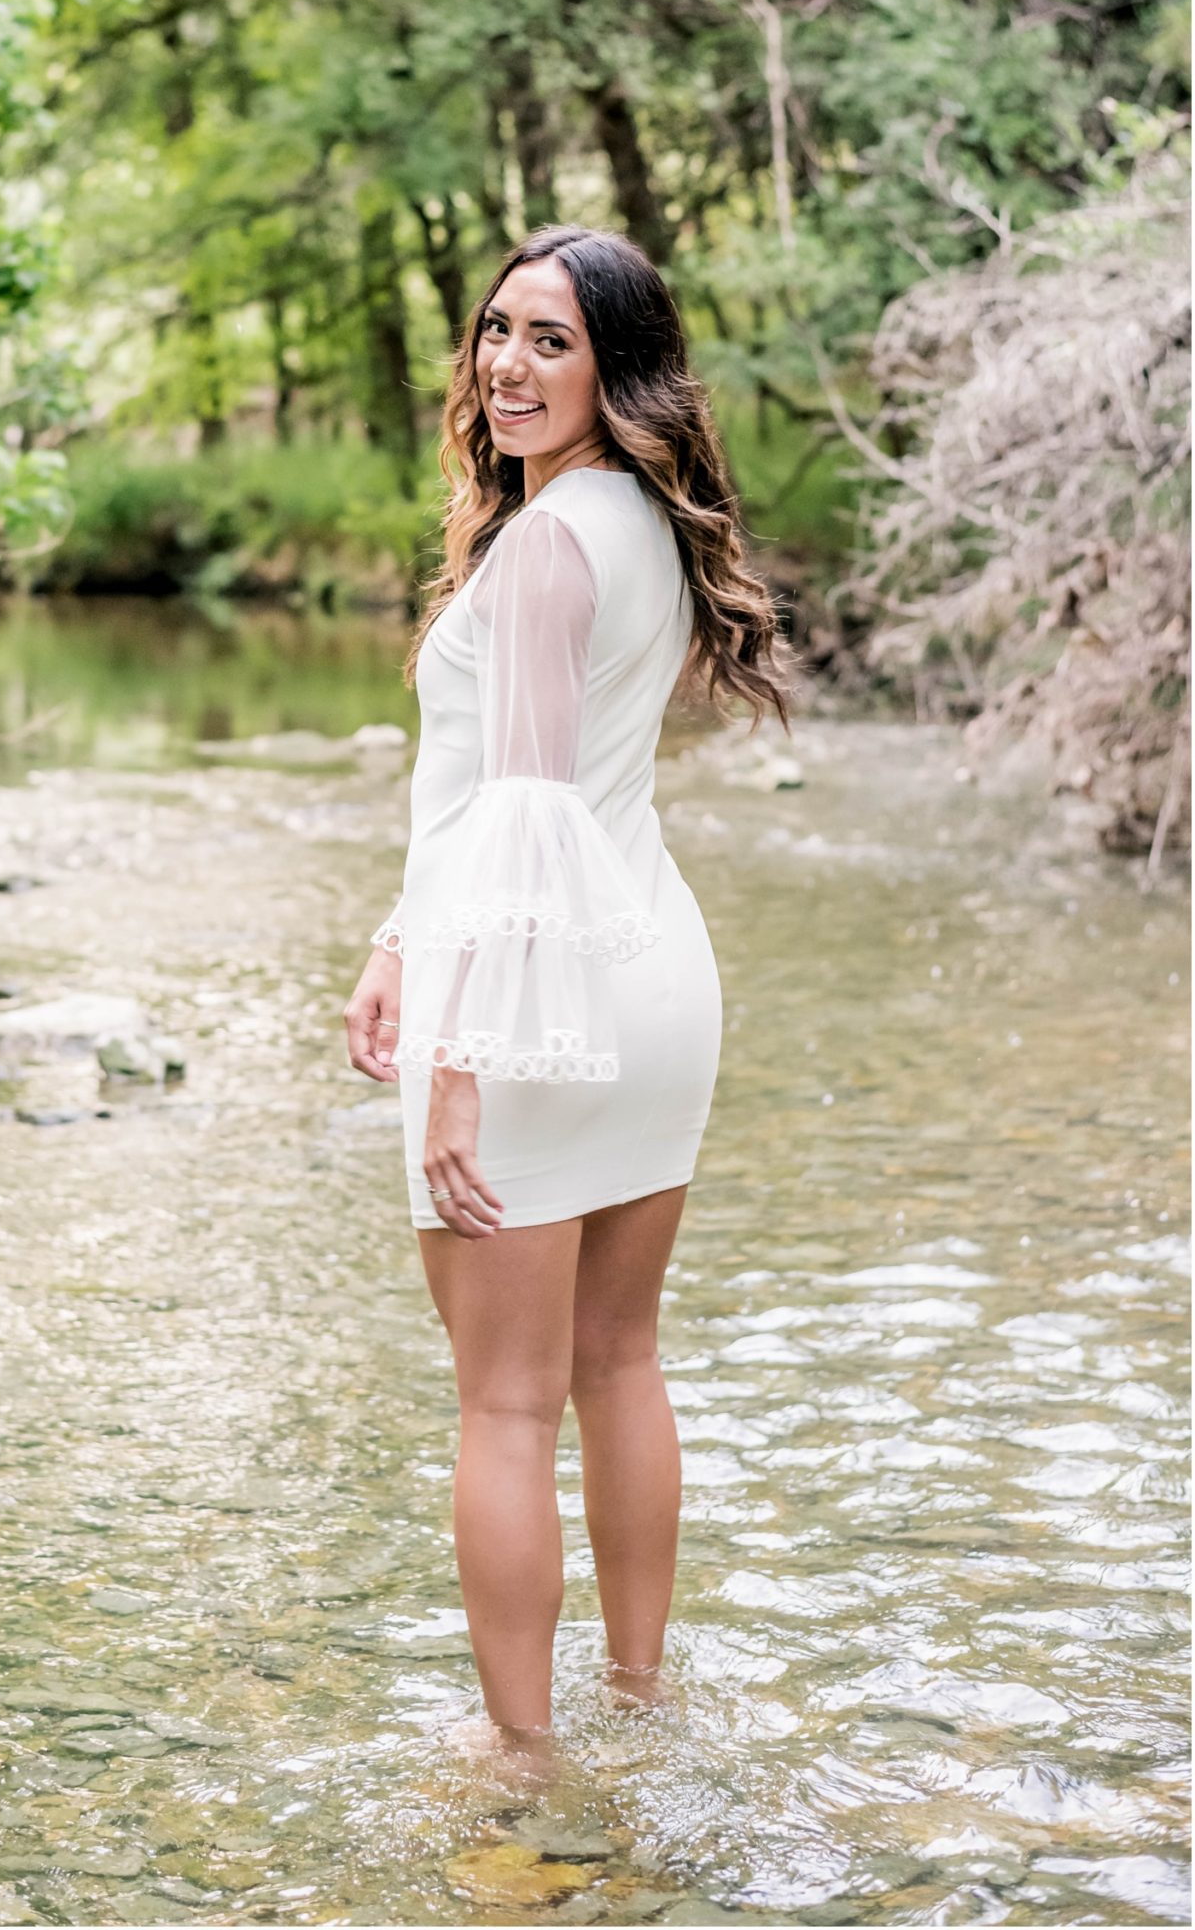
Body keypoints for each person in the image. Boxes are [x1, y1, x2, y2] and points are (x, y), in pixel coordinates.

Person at [343, 223, 793, 1771]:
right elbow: (492, 792)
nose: (509, 366)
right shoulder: (643, 523)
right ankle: (640, 1700)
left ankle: (522, 1764)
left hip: (535, 996)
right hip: (649, 974)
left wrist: (458, 1052)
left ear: (619, 366)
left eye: (553, 341)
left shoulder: (543, 547)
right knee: (621, 1359)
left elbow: (524, 815)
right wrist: (402, 935)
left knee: (507, 1407)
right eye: (497, 332)